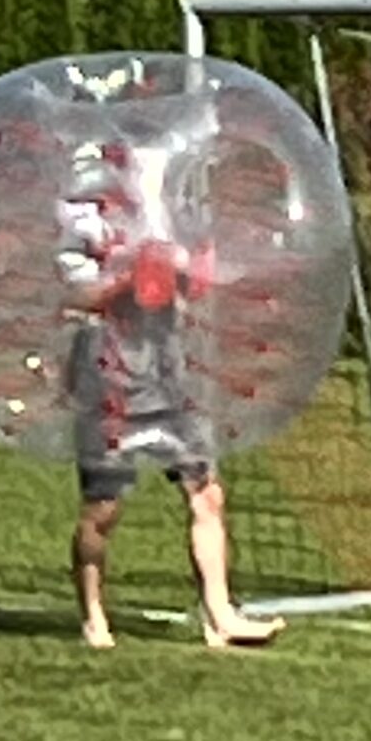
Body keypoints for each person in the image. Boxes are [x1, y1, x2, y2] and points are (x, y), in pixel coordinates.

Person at [66, 226, 278, 653]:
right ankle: (93, 614)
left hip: (172, 369)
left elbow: (206, 280)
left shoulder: (175, 209)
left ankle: (220, 616)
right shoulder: (81, 213)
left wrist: (193, 276)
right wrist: (130, 282)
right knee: (103, 509)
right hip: (108, 374)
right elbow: (71, 297)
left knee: (206, 493)